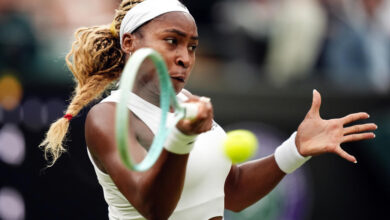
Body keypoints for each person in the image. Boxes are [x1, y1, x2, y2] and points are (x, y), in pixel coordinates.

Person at [39, 0, 377, 219]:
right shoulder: (108, 117)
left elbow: (233, 192)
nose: (185, 57)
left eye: (192, 46)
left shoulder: (192, 106)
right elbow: (153, 207)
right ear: (131, 43)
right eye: (171, 41)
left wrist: (295, 149)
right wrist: (182, 139)